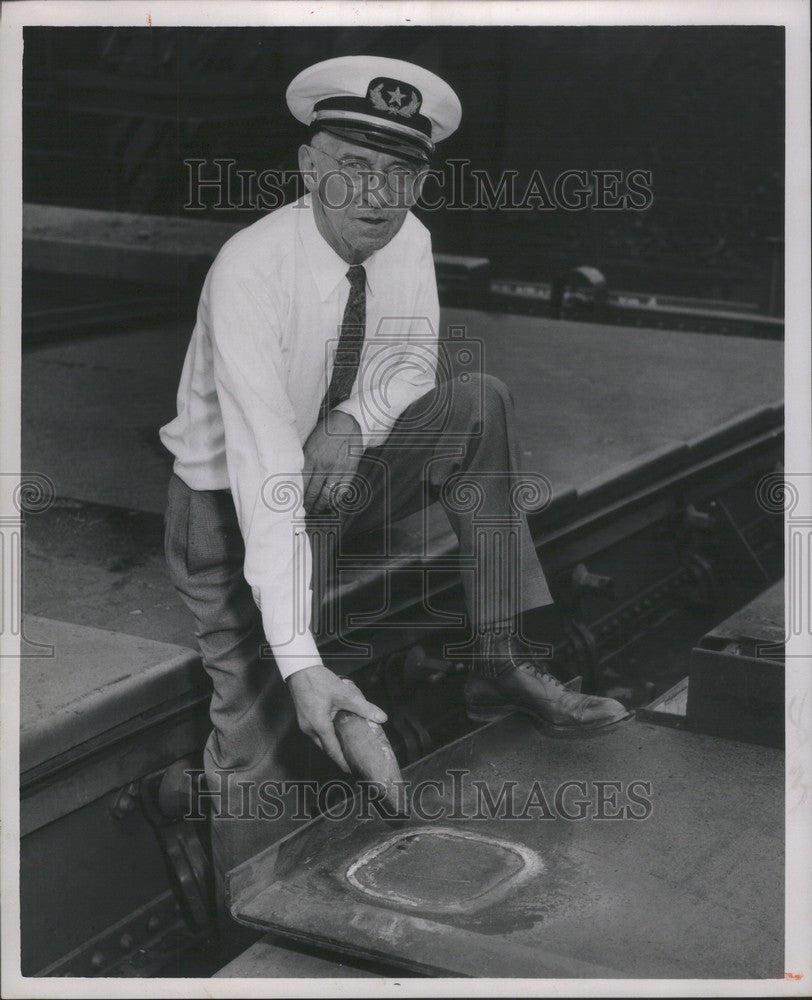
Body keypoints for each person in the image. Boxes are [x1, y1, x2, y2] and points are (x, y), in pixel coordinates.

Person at [160, 54, 628, 924]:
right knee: (257, 727)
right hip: (233, 508)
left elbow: (411, 358)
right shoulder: (248, 270)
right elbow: (268, 477)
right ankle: (249, 924)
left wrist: (352, 419)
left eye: (402, 171)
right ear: (308, 166)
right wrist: (302, 665)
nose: (378, 193)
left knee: (475, 402)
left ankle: (500, 660)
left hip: (334, 471)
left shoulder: (403, 238)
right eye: (355, 167)